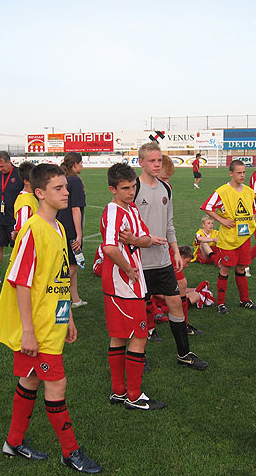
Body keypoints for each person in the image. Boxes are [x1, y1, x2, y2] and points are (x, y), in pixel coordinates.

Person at [0, 163, 102, 473]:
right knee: (57, 385)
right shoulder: (33, 230)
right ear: (40, 193)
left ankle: (13, 442)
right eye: (58, 188)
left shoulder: (59, 228)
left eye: (66, 187)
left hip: (54, 322)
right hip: (37, 328)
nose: (66, 192)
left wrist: (68, 317)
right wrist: (27, 331)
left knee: (30, 379)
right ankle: (70, 452)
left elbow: (60, 280)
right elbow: (21, 283)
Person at [134, 142, 208, 370]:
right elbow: (125, 226)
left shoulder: (166, 188)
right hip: (140, 262)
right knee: (140, 310)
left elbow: (169, 224)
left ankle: (184, 354)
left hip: (163, 260)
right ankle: (139, 356)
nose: (156, 164)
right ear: (141, 162)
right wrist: (144, 240)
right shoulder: (133, 188)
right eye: (151, 161)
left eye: (159, 160)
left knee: (175, 302)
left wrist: (175, 251)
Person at [100, 162, 164, 410]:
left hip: (130, 284)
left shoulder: (132, 209)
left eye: (133, 186)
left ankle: (119, 392)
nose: (131, 192)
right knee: (139, 335)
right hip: (123, 285)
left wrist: (136, 240)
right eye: (125, 188)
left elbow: (147, 239)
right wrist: (127, 268)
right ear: (112, 189)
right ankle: (134, 396)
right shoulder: (114, 211)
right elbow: (109, 247)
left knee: (119, 337)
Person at [201, 160, 256, 315]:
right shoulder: (223, 191)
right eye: (239, 173)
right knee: (225, 268)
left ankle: (245, 300)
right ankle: (221, 303)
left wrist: (250, 223)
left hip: (244, 237)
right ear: (231, 173)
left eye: (244, 172)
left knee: (241, 268)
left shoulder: (248, 191)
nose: (242, 175)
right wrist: (222, 220)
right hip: (228, 239)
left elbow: (253, 210)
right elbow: (207, 206)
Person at [0, 151, 24, 286]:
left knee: (17, 247)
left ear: (9, 162)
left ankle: (17, 273)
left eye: (2, 166)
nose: (0, 169)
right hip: (0, 217)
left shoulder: (19, 174)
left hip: (15, 218)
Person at [57, 153, 88, 309]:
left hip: (61, 225)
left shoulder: (64, 179)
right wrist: (79, 235)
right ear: (75, 164)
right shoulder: (74, 181)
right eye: (80, 163)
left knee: (71, 263)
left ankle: (75, 299)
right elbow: (76, 209)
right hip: (70, 229)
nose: (82, 166)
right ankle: (53, 294)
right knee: (72, 266)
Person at [11, 161, 38, 240]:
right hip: (29, 242)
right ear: (26, 182)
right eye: (36, 179)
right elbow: (22, 227)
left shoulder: (31, 196)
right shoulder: (25, 201)